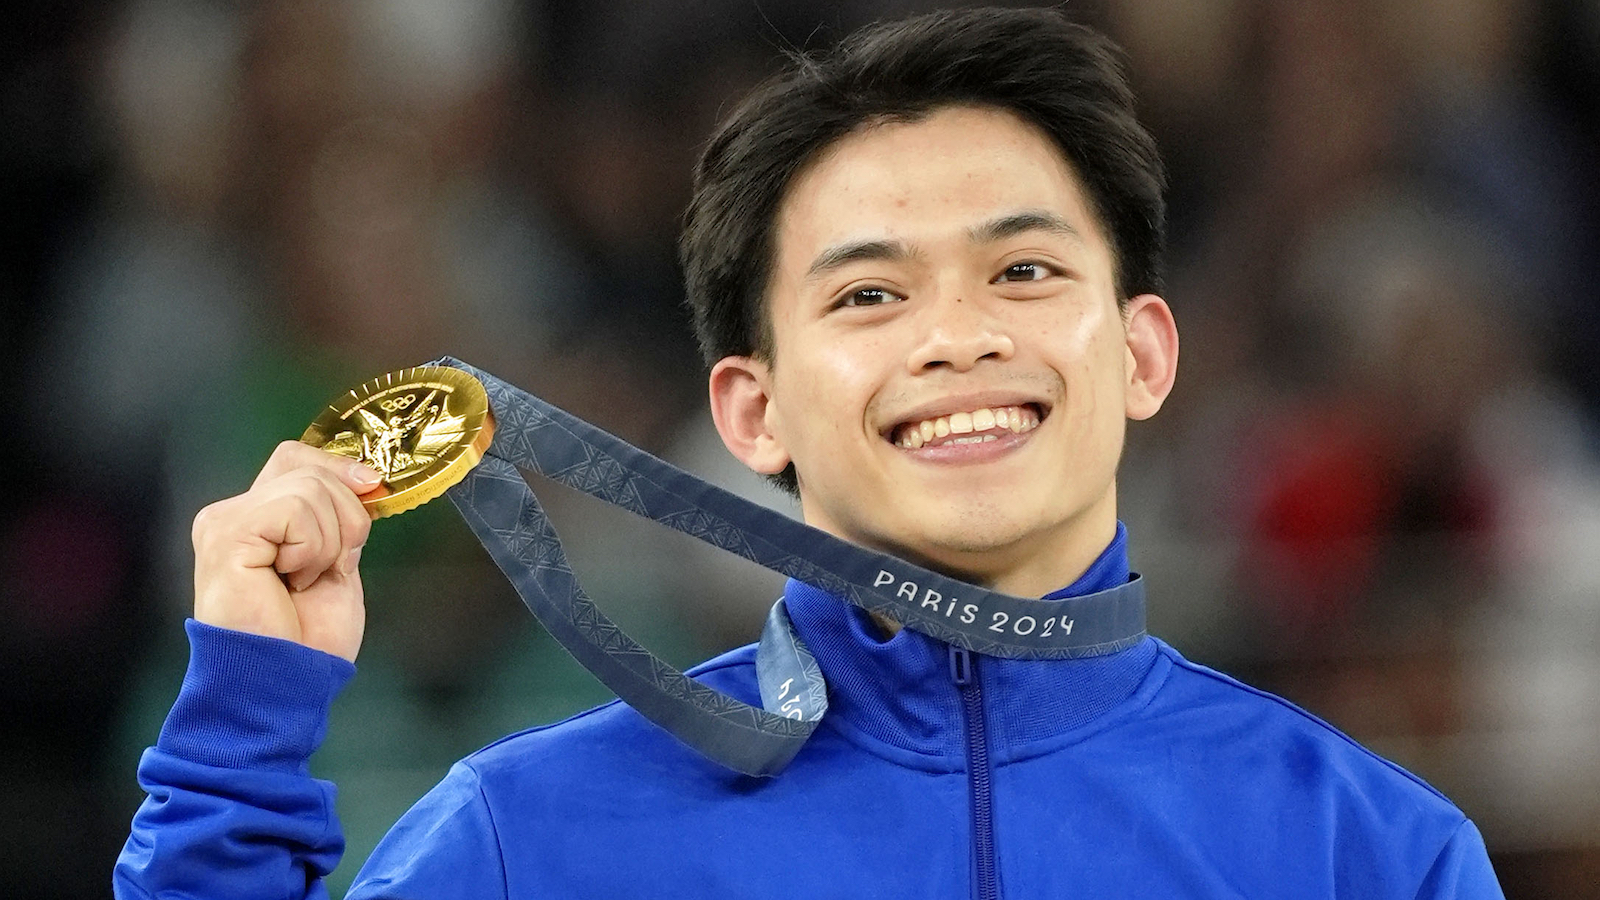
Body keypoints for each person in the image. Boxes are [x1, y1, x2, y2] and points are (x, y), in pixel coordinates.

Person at [114, 7, 1505, 897]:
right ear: (749, 411)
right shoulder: (525, 842)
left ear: (1143, 351)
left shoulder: (1368, 855)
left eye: (1022, 271)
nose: (957, 337)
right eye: (869, 294)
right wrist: (243, 735)